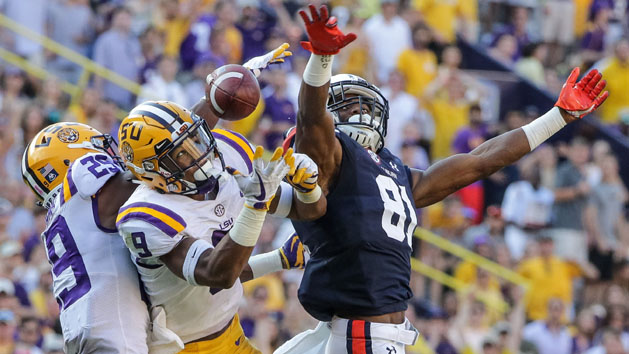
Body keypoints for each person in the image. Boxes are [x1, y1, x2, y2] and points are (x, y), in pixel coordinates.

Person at [277, 4, 609, 353]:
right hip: (362, 330)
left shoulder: (397, 173)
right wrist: (322, 59)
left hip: (369, 329)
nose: (359, 114)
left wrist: (556, 118)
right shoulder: (329, 159)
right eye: (347, 107)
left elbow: (481, 161)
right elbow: (311, 119)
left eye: (364, 107)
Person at [115, 100, 326, 353]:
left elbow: (308, 210)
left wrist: (308, 187)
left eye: (195, 139)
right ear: (151, 173)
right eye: (180, 154)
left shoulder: (227, 156)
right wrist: (255, 206)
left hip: (230, 330)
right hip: (187, 347)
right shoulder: (147, 215)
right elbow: (218, 274)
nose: (198, 155)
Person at [21, 122, 150, 353]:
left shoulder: (63, 213)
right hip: (113, 337)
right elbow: (154, 175)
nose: (111, 153)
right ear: (72, 159)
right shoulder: (82, 186)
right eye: (97, 147)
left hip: (88, 331)